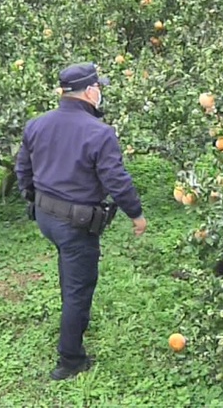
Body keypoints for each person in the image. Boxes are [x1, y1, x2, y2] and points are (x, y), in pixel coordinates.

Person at [14, 62, 147, 380]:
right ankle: (70, 360)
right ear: (90, 91)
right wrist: (136, 213)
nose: (100, 92)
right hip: (75, 225)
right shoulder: (99, 133)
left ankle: (75, 319)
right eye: (99, 87)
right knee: (79, 288)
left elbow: (23, 169)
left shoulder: (38, 124)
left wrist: (33, 199)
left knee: (69, 270)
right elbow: (116, 180)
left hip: (47, 218)